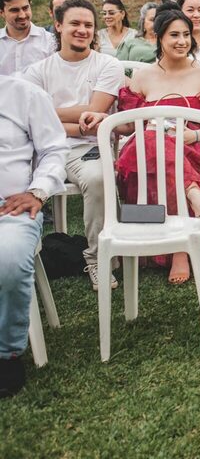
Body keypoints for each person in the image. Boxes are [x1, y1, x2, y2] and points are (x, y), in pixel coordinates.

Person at [80, 3, 200, 284]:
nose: (182, 41)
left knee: (157, 144)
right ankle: (194, 195)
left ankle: (180, 250)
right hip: (150, 146)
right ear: (159, 37)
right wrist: (104, 118)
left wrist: (194, 135)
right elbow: (129, 126)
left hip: (197, 144)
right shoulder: (143, 77)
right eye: (174, 35)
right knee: (152, 137)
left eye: (186, 35)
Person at [19, 0, 123, 291]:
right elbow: (32, 120)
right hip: (43, 150)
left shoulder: (108, 65)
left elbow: (95, 110)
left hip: (88, 147)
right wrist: (74, 122)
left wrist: (48, 112)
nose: (82, 30)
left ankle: (97, 258)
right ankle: (19, 258)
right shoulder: (37, 71)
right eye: (74, 23)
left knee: (98, 177)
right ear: (58, 25)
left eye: (88, 25)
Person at [0, 76, 68, 398]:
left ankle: (6, 352)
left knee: (9, 262)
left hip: (10, 208)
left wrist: (37, 191)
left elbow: (54, 149)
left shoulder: (23, 93)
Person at [0, 0, 56, 77]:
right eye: (14, 10)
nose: (22, 15)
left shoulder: (50, 42)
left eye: (25, 8)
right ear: (2, 13)